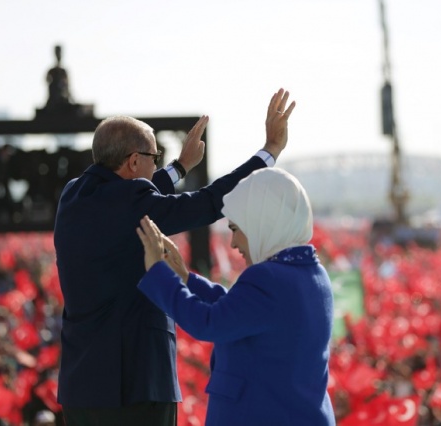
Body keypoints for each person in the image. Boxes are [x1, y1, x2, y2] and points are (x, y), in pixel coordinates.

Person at [53, 88, 295, 426]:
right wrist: (269, 152)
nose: (157, 164)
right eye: (154, 156)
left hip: (81, 388)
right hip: (136, 386)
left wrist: (180, 167)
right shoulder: (132, 201)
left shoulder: (74, 196)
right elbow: (209, 201)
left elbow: (133, 196)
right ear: (133, 161)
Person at [136, 167, 336, 426]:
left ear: (261, 223)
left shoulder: (269, 278)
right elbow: (239, 310)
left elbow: (208, 322)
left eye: (236, 228)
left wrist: (158, 273)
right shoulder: (312, 273)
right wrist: (185, 278)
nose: (233, 243)